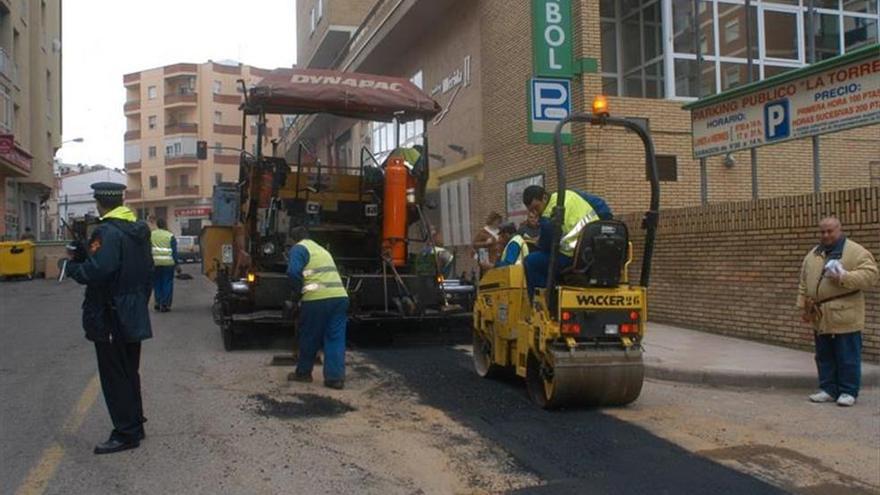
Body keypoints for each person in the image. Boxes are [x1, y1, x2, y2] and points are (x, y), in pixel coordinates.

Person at [66, 182, 153, 454]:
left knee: (114, 375)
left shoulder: (107, 231)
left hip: (110, 313)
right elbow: (145, 269)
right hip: (132, 309)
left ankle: (126, 433)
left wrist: (72, 267)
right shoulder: (138, 230)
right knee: (128, 371)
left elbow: (98, 272)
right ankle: (135, 423)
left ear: (99, 202)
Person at [798, 217, 878, 407]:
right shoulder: (814, 254)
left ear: (839, 230)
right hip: (821, 315)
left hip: (845, 314)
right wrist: (803, 307)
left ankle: (848, 391)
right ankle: (828, 389)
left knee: (847, 355)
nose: (826, 235)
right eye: (823, 231)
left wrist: (844, 276)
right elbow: (803, 282)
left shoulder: (855, 251)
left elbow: (871, 275)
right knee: (824, 355)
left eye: (830, 231)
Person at [286, 227, 349, 390]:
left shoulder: (298, 248)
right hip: (340, 298)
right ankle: (335, 379)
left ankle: (303, 374)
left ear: (294, 239)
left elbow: (293, 272)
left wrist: (298, 292)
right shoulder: (321, 250)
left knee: (310, 337)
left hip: (317, 299)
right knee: (335, 338)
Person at [521, 185, 612, 296]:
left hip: (572, 257)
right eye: (531, 210)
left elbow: (546, 246)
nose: (535, 213)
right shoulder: (570, 194)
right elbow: (601, 206)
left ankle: (545, 299)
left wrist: (538, 242)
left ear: (544, 197)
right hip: (596, 250)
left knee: (530, 261)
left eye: (536, 208)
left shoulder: (548, 215)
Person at [150, 217, 179, 312]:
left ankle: (158, 302)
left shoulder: (152, 235)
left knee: (157, 283)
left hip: (155, 263)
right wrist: (177, 264)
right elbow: (174, 252)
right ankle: (165, 304)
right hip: (168, 263)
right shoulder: (170, 236)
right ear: (165, 225)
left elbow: (147, 249)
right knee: (167, 283)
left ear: (157, 224)